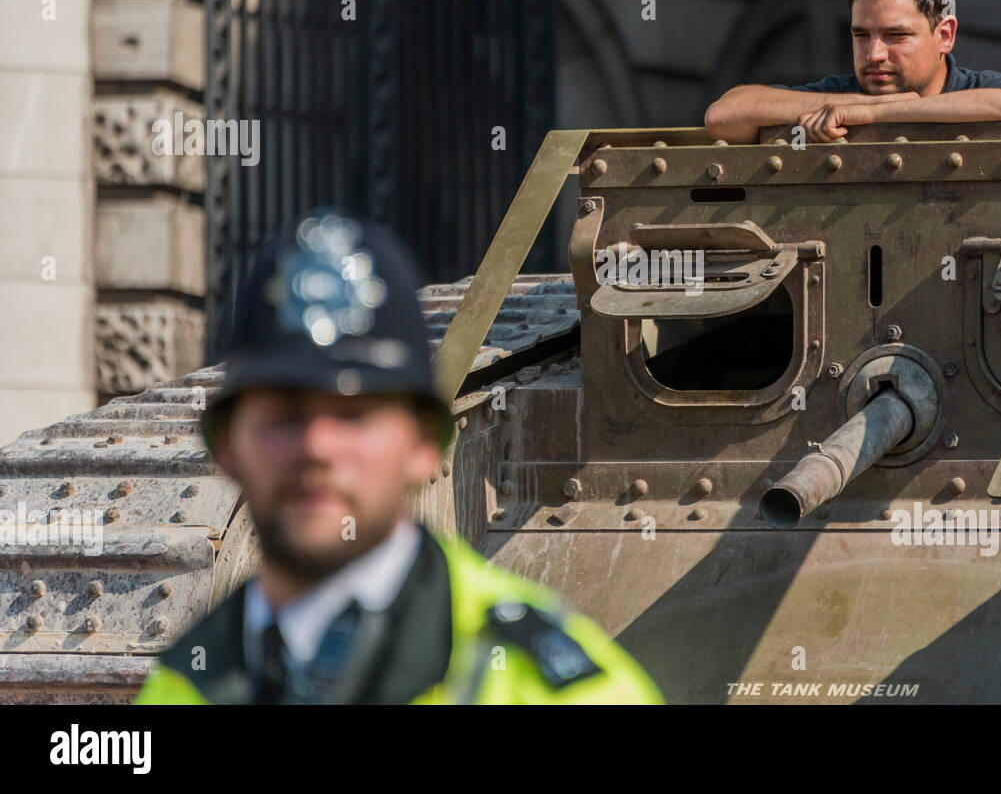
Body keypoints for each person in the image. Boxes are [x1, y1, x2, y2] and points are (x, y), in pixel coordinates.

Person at [135, 210, 662, 704]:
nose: (317, 447)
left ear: (424, 446)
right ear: (226, 447)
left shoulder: (555, 690)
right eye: (285, 416)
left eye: (354, 415)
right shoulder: (179, 689)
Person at [705, 0, 1001, 144]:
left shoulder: (981, 88)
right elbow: (724, 115)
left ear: (945, 35)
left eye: (896, 36)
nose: (874, 54)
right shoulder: (841, 95)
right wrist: (858, 103)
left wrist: (874, 112)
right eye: (861, 35)